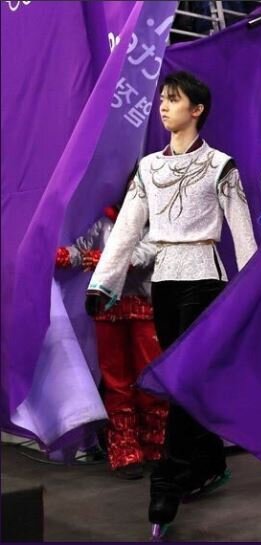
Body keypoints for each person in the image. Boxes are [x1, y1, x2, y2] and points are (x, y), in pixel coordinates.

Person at [85, 71, 258, 537]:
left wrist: (253, 291)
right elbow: (127, 228)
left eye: (173, 99)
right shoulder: (147, 168)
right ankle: (209, 461)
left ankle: (166, 481)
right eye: (162, 98)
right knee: (186, 380)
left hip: (205, 279)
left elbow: (242, 232)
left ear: (196, 110)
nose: (163, 106)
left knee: (182, 377)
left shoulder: (221, 165)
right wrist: (103, 284)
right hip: (162, 283)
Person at [56, 194, 168, 480]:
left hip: (144, 307)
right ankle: (124, 450)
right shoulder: (103, 223)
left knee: (150, 378)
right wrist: (55, 254)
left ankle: (156, 445)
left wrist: (101, 259)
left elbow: (141, 256)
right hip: (107, 308)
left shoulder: (156, 223)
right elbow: (79, 250)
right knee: (116, 383)